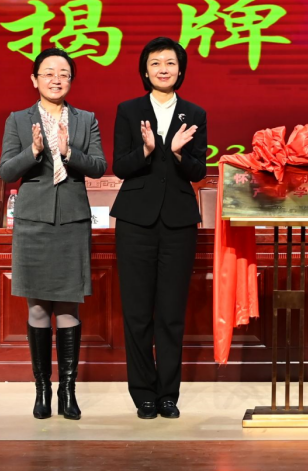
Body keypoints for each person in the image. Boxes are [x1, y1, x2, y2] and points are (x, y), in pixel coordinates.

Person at [0, 47, 106, 421]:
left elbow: (99, 166)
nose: (56, 79)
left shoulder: (85, 120)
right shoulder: (18, 119)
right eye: (48, 73)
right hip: (33, 223)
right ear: (35, 80)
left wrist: (69, 151)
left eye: (63, 73)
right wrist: (33, 150)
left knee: (68, 306)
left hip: (73, 222)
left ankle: (68, 392)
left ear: (71, 80)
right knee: (38, 307)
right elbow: (6, 171)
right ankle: (42, 390)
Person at [110, 37, 207, 420]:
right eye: (155, 63)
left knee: (171, 313)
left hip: (179, 222)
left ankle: (168, 394)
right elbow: (120, 166)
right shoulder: (129, 110)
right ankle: (143, 394)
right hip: (136, 221)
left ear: (180, 70)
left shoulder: (194, 113)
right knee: (137, 312)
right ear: (145, 71)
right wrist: (148, 150)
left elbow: (198, 172)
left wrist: (178, 153)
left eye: (170, 63)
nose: (163, 69)